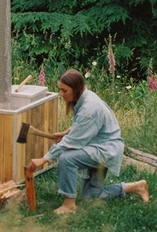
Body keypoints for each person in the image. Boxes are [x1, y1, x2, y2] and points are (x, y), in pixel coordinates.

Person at [28, 68, 150, 214]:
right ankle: (135, 187)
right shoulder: (84, 97)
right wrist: (67, 132)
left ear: (76, 89)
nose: (61, 94)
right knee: (91, 197)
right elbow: (84, 125)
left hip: (105, 150)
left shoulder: (90, 108)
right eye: (60, 89)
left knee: (66, 158)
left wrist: (44, 159)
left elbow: (70, 143)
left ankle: (69, 205)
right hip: (98, 146)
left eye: (64, 90)